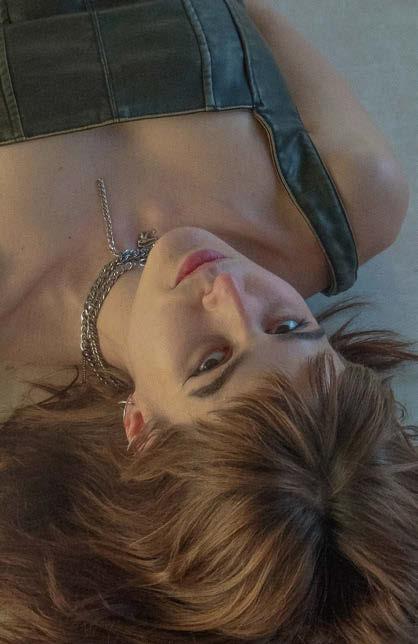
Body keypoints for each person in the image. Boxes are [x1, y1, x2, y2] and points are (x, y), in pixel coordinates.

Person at [0, 1, 416, 642]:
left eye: (211, 361)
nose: (228, 292)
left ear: (141, 428)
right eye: (289, 328)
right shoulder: (349, 198)